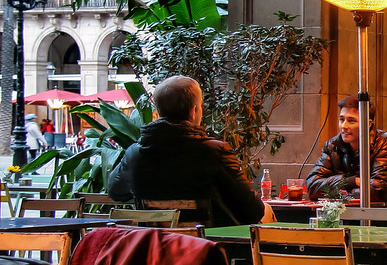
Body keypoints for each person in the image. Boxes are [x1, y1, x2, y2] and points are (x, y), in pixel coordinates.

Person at [108, 75, 271, 226]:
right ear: (194, 111)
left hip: (155, 249)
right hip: (209, 250)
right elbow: (252, 212)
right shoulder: (214, 152)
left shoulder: (134, 153)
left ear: (157, 112)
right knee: (267, 212)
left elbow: (116, 192)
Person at [306, 94, 387, 206]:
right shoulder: (332, 146)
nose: (344, 126)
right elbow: (312, 186)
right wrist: (352, 181)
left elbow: (380, 190)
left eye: (351, 121)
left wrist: (339, 190)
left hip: (381, 217)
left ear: (368, 123)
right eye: (341, 119)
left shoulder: (384, 143)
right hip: (341, 216)